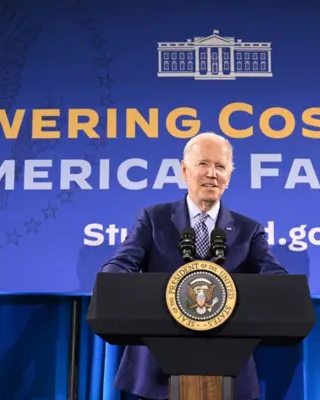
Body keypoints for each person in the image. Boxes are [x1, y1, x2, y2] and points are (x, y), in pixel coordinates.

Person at [100, 132, 289, 400]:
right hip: (158, 371)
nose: (212, 174)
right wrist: (111, 285)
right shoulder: (154, 219)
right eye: (203, 164)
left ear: (229, 177)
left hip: (228, 370)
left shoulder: (249, 230)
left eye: (220, 166)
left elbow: (274, 277)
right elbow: (123, 262)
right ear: (184, 170)